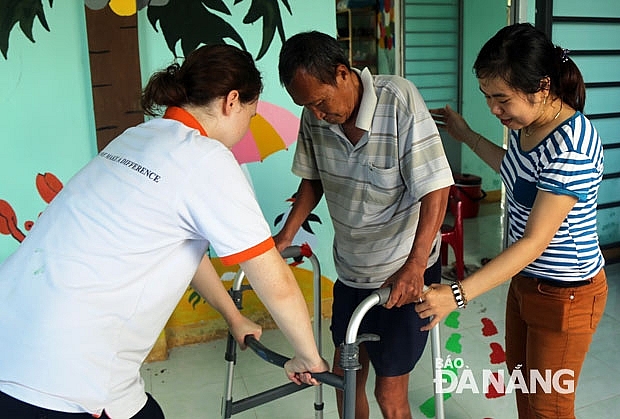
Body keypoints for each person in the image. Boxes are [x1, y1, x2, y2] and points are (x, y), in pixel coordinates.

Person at [0, 43, 328, 419]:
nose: (246, 129)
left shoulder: (138, 138)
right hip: (59, 372)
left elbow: (184, 251)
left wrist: (232, 315)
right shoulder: (208, 160)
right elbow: (275, 280)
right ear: (232, 101)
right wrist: (309, 356)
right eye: (250, 116)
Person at [420, 23, 608, 418]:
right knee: (526, 387)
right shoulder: (530, 126)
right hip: (528, 283)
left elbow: (534, 242)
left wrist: (457, 295)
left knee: (549, 407)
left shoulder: (570, 146)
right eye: (487, 97)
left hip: (565, 295)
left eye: (501, 99)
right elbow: (517, 174)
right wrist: (467, 135)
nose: (494, 109)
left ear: (542, 86)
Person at [276, 31, 453, 419]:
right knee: (345, 379)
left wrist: (415, 266)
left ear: (343, 73)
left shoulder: (399, 99)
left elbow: (436, 188)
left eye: (321, 101)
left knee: (390, 394)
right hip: (353, 271)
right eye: (308, 106)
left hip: (402, 273)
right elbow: (313, 179)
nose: (317, 114)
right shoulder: (315, 115)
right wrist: (284, 237)